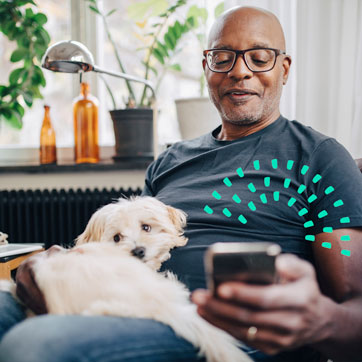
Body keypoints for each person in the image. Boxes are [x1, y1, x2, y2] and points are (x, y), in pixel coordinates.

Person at [1, 6, 362, 362]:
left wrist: (321, 322)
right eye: (223, 57)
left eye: (259, 57)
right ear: (207, 68)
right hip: (132, 305)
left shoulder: (319, 158)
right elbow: (129, 251)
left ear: (283, 69)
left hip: (223, 332)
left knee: (38, 345)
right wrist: (56, 264)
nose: (239, 71)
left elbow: (354, 308)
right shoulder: (170, 162)